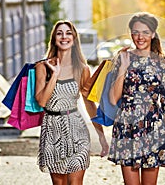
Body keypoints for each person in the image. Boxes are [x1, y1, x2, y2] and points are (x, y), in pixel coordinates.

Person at [35, 20, 109, 185]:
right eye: (59, 33)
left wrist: (102, 137)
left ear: (74, 39)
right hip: (52, 130)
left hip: (77, 130)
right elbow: (41, 101)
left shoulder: (82, 69)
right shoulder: (42, 67)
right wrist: (55, 74)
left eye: (68, 33)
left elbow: (89, 104)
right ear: (54, 39)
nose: (64, 37)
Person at [107, 12, 165, 185]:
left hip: (154, 128)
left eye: (145, 32)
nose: (140, 36)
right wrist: (123, 67)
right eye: (136, 32)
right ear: (130, 34)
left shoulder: (163, 63)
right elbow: (114, 99)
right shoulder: (122, 58)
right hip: (126, 127)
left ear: (152, 34)